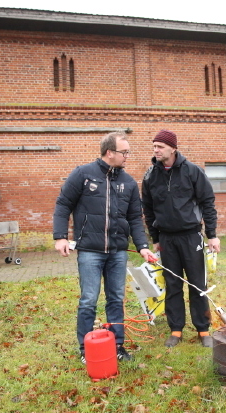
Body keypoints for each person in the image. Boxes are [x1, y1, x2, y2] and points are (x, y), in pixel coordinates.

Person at [53, 131, 155, 364]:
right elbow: (63, 205)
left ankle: (117, 345)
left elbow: (135, 219)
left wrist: (142, 246)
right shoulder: (83, 174)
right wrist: (60, 237)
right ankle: (85, 348)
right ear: (109, 152)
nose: (127, 156)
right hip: (90, 251)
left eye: (128, 152)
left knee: (116, 298)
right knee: (88, 299)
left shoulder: (128, 183)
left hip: (118, 252)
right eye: (124, 152)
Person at [141, 129, 221, 348]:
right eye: (154, 146)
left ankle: (203, 329)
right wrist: (155, 238)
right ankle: (176, 329)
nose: (156, 150)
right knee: (173, 284)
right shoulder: (150, 176)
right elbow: (148, 208)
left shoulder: (192, 171)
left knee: (197, 284)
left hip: (191, 237)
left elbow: (208, 203)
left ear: (173, 148)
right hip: (167, 239)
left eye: (160, 146)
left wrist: (212, 235)